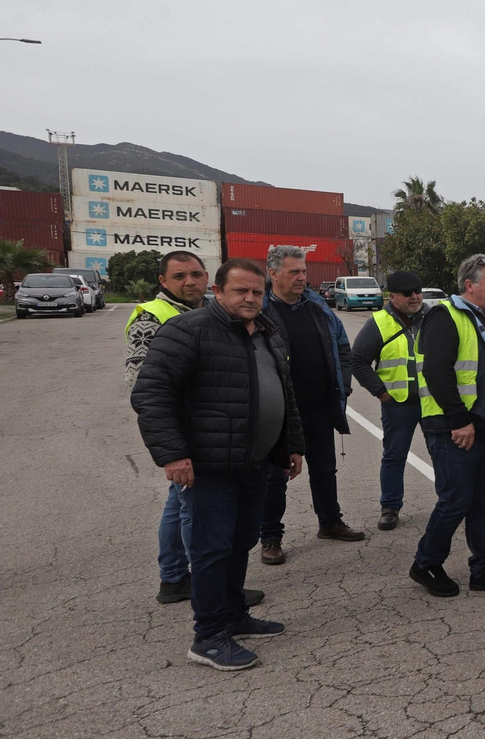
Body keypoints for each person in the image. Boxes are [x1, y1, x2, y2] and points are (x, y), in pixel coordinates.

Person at [131, 259, 304, 671]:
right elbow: (151, 395)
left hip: (256, 461)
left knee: (241, 539)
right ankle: (207, 636)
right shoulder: (187, 331)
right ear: (219, 291)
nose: (250, 298)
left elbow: (285, 394)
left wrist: (291, 445)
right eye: (241, 291)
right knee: (211, 550)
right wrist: (172, 454)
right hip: (209, 465)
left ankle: (233, 614)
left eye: (257, 292)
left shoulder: (267, 333)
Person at [125, 251, 264, 608]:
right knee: (195, 517)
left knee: (181, 506)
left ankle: (185, 581)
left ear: (210, 281)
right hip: (190, 440)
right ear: (163, 281)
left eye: (197, 274)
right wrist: (173, 448)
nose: (190, 282)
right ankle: (196, 585)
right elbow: (144, 387)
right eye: (180, 276)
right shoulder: (154, 319)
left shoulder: (219, 313)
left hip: (215, 439)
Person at [410, 253, 485, 597]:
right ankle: (425, 563)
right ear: (470, 285)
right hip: (456, 428)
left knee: (482, 502)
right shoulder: (444, 316)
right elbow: (437, 372)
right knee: (455, 500)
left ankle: (483, 569)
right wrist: (460, 420)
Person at [257, 245, 365, 564]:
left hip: (319, 405)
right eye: (294, 272)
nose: (302, 277)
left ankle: (330, 522)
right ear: (273, 274)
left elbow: (342, 348)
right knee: (275, 477)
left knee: (324, 469)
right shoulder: (259, 310)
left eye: (303, 271)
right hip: (278, 411)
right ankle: (270, 538)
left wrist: (342, 384)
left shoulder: (317, 306)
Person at [350, 270, 425, 530]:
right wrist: (381, 393)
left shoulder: (433, 318)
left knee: (446, 454)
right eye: (408, 293)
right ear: (392, 296)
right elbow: (357, 361)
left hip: (433, 402)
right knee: (394, 456)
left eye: (418, 291)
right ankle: (390, 507)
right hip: (398, 404)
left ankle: (452, 503)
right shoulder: (379, 322)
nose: (415, 297)